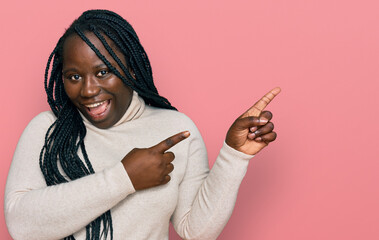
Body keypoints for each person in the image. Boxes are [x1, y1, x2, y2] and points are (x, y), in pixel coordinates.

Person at [4, 9, 280, 240]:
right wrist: (124, 178)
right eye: (74, 77)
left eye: (103, 72)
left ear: (131, 69)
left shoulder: (175, 128)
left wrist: (234, 156)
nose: (88, 90)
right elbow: (21, 225)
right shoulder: (48, 130)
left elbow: (196, 230)